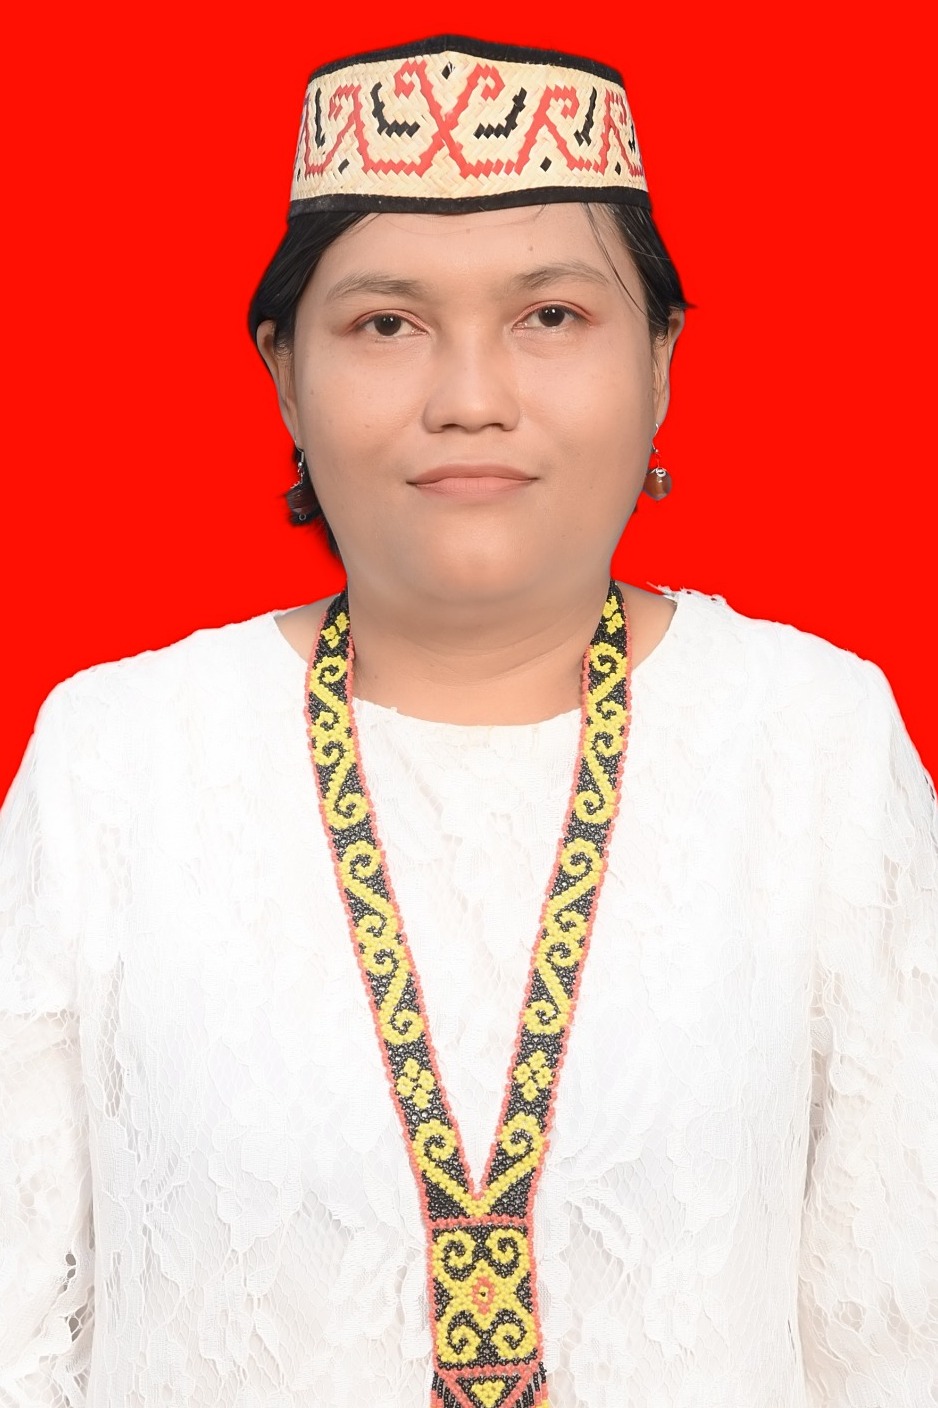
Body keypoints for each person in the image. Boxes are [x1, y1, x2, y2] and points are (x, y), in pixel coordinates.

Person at [1, 32, 936, 1408]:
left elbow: (898, 1340)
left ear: (660, 360)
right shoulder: (116, 764)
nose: (471, 399)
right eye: (387, 325)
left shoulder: (815, 746)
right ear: (283, 372)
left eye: (549, 315)